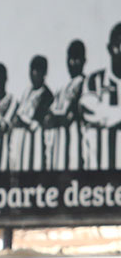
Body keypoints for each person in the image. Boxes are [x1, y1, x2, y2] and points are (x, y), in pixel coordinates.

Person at [82, 22, 121, 170]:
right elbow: (89, 111)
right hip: (98, 172)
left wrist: (107, 114)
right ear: (109, 49)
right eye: (118, 46)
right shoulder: (94, 81)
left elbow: (101, 114)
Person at [44, 40, 86, 170]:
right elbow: (47, 119)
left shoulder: (85, 85)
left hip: (75, 149)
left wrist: (57, 117)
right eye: (70, 58)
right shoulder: (62, 89)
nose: (72, 63)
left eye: (76, 58)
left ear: (84, 60)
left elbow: (68, 117)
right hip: (57, 149)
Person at [9, 55, 54, 171]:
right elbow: (19, 113)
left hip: (34, 141)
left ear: (44, 73)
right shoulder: (27, 92)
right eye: (32, 70)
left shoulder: (46, 95)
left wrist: (22, 121)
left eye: (37, 70)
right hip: (20, 139)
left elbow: (36, 120)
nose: (33, 74)